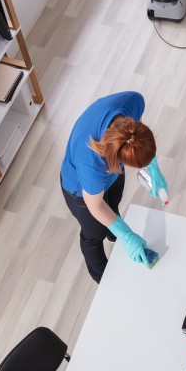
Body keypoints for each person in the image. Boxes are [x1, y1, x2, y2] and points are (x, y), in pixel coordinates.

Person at [61, 91, 166, 283]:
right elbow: (95, 205)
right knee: (94, 234)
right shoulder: (91, 162)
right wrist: (127, 235)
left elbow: (138, 129)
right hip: (81, 190)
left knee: (114, 202)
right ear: (117, 158)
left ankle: (114, 234)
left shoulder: (133, 103)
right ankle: (104, 280)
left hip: (109, 172)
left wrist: (153, 165)